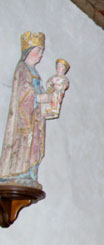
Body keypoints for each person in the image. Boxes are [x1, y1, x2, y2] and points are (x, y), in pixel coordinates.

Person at [0, 32, 67, 188]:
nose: (40, 55)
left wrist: (52, 96)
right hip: (24, 119)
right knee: (24, 142)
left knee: (35, 144)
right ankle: (18, 172)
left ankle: (30, 173)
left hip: (35, 118)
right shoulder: (22, 69)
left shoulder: (35, 72)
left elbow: (42, 93)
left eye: (42, 51)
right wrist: (39, 98)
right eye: (38, 51)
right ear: (28, 51)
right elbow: (24, 93)